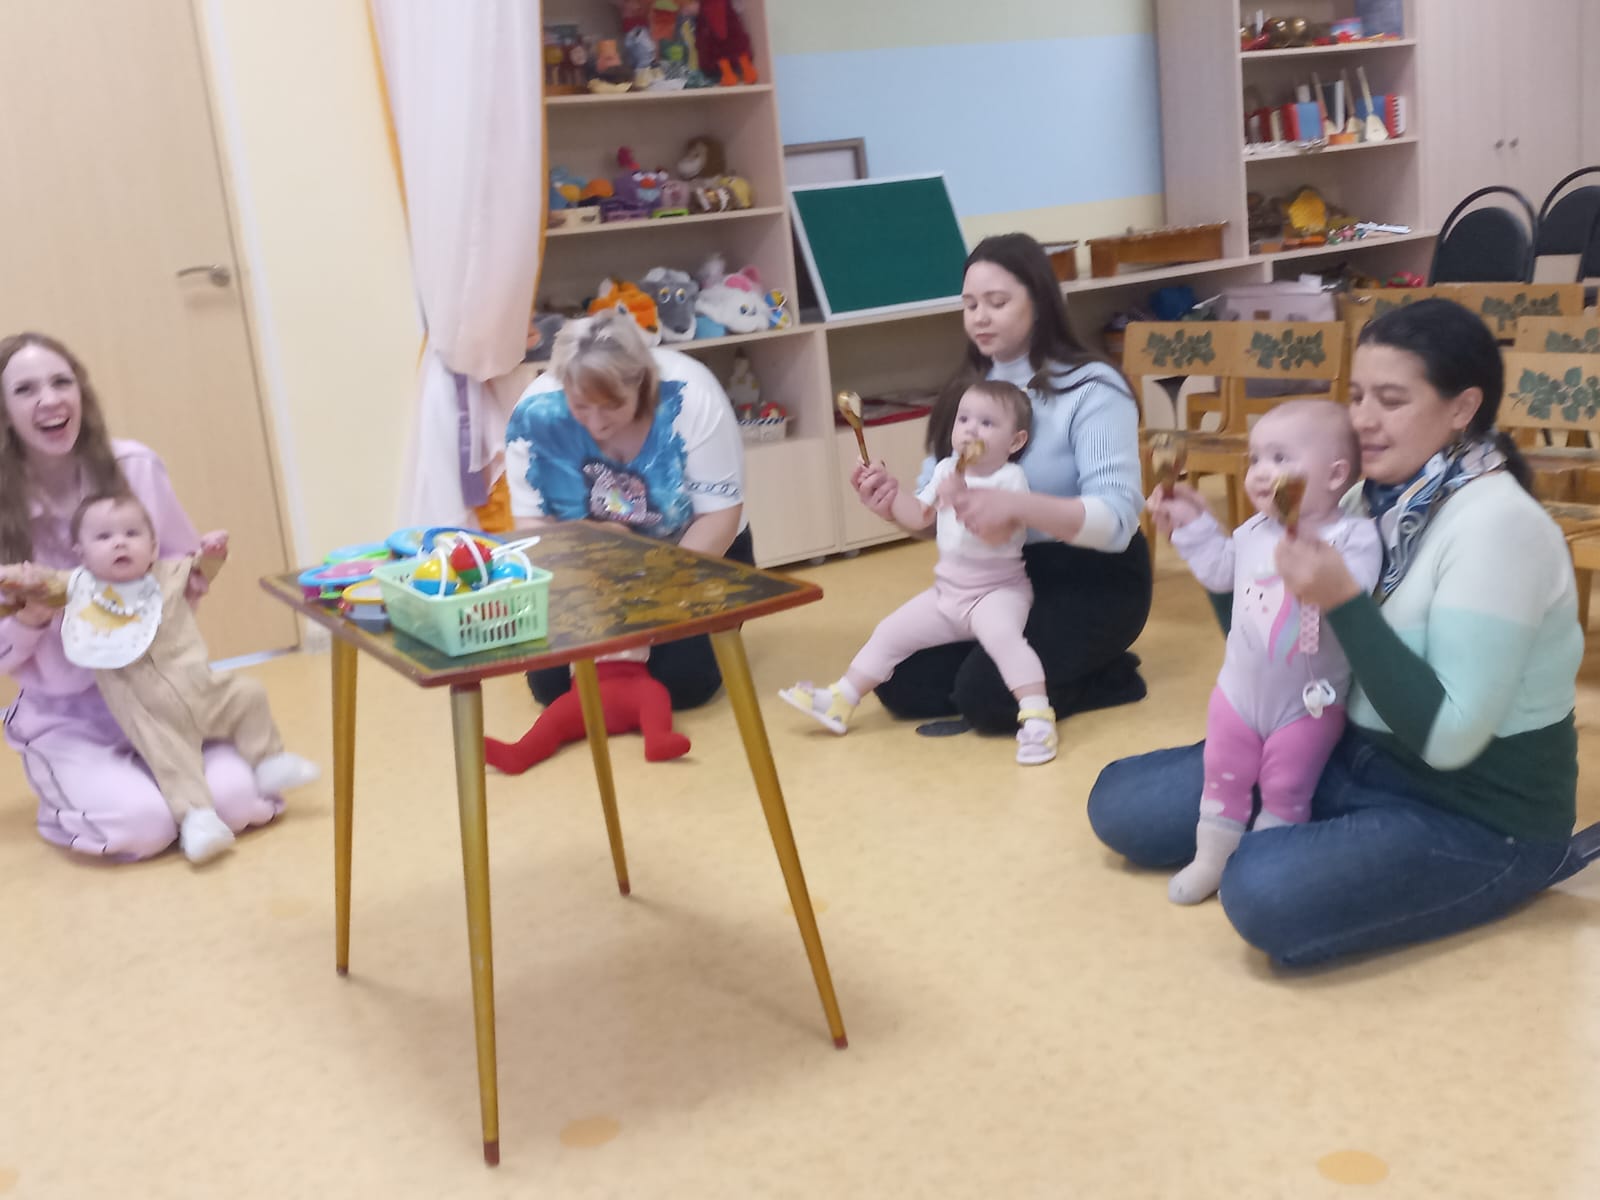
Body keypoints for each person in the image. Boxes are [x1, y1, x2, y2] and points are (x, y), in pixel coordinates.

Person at [1088, 298, 1592, 965]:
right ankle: (1324, 826)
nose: (1363, 420)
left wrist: (1344, 602)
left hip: (1473, 810)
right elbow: (1269, 646)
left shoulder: (1500, 528)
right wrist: (1218, 558)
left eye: (1391, 400)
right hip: (1346, 747)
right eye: (1356, 396)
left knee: (1262, 890)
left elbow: (1448, 739)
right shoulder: (1361, 499)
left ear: (1462, 408)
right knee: (1120, 805)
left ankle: (1517, 867)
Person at [851, 232, 1151, 737]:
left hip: (1094, 577)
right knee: (898, 681)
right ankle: (1026, 664)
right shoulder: (968, 395)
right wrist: (891, 504)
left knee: (987, 699)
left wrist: (1018, 507)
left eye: (997, 302)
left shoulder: (1092, 387)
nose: (980, 318)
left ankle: (1111, 675)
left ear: (1040, 303)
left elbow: (1118, 524)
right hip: (998, 578)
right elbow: (934, 519)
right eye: (970, 305)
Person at [0, 331, 285, 860]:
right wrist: (31, 619)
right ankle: (71, 795)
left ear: (82, 391)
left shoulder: (135, 468)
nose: (50, 400)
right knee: (144, 828)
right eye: (25, 390)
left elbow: (181, 572)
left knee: (240, 802)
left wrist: (192, 579)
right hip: (70, 713)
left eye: (62, 382)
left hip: (162, 690)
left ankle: (162, 784)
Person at [1, 493, 320, 863]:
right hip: (147, 711)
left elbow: (200, 569)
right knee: (173, 760)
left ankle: (270, 762)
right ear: (81, 553)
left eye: (131, 534)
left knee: (250, 695)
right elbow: (39, 581)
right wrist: (16, 577)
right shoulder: (78, 586)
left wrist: (213, 553)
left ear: (153, 547)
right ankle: (198, 819)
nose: (119, 542)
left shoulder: (167, 574)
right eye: (103, 537)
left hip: (203, 692)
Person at [1147, 400, 1382, 903]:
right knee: (1221, 775)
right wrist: (1192, 524)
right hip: (1237, 695)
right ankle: (1211, 859)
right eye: (1255, 459)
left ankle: (1263, 864)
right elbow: (1219, 571)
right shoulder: (1254, 530)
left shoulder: (1354, 536)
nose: (1260, 472)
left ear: (1335, 474)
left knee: (1287, 786)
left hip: (1307, 706)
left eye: (1279, 458)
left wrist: (1316, 560)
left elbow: (1354, 598)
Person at [780, 380, 1058, 764]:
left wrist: (961, 497)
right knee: (889, 632)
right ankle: (841, 698)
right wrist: (889, 494)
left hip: (997, 592)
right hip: (948, 593)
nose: (971, 430)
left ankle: (1038, 719)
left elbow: (997, 532)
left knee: (1003, 640)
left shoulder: (1009, 480)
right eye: (964, 419)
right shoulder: (946, 469)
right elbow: (919, 516)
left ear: (1015, 441)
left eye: (987, 423)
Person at [504, 311, 747, 709]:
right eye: (581, 406)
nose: (597, 423)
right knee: (553, 688)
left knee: (683, 684)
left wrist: (647, 595)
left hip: (695, 552)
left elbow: (720, 518)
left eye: (612, 405)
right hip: (589, 564)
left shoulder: (691, 396)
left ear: (641, 381)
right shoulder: (535, 415)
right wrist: (585, 585)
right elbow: (533, 526)